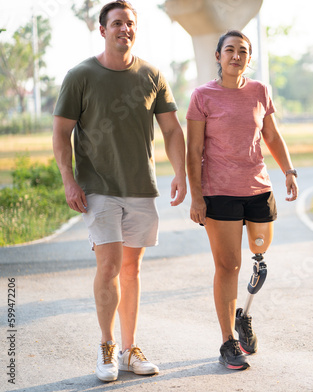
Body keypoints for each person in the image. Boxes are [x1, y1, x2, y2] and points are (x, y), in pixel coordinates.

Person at [52, 0, 186, 382]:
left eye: (129, 23)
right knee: (108, 266)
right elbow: (61, 132)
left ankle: (129, 350)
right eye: (116, 23)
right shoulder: (80, 75)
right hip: (98, 187)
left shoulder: (152, 75)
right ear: (103, 30)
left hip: (141, 187)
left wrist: (181, 173)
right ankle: (106, 347)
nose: (124, 29)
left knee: (132, 269)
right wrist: (68, 178)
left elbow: (173, 130)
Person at [186, 30, 298, 370]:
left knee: (260, 253)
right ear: (218, 56)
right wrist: (197, 197)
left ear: (249, 58)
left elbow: (272, 135)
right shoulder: (202, 96)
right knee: (228, 265)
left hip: (258, 189)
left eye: (243, 51)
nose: (236, 55)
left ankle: (243, 314)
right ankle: (228, 342)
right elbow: (194, 151)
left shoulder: (260, 91)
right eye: (230, 50)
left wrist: (289, 171)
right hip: (219, 192)